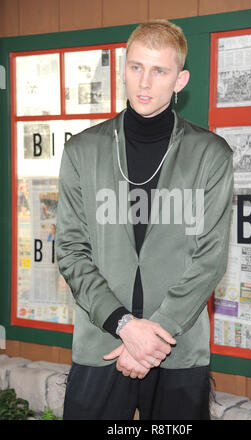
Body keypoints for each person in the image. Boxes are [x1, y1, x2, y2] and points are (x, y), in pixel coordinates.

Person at [56, 19, 233, 420]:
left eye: (159, 70)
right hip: (102, 341)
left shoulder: (211, 154)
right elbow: (69, 250)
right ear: (122, 69)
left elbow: (211, 259)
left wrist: (153, 338)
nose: (145, 82)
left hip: (178, 347)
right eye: (136, 67)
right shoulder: (82, 151)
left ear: (180, 79)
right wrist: (124, 326)